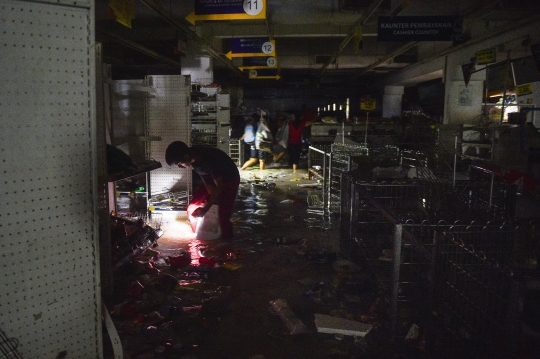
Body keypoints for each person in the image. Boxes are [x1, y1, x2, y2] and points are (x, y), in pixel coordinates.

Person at [165, 141, 240, 240]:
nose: (180, 166)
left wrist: (206, 208)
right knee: (192, 208)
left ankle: (227, 244)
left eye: (179, 163)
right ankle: (201, 235)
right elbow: (205, 178)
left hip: (229, 180)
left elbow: (220, 186)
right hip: (214, 180)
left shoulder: (208, 159)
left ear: (186, 156)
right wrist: (209, 197)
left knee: (223, 216)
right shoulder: (193, 157)